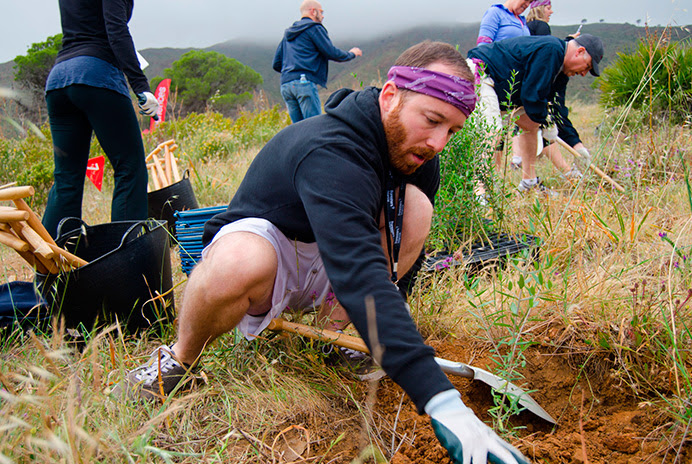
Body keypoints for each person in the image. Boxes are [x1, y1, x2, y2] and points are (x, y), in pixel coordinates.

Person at [115, 41, 529, 464]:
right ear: (390, 96)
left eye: (452, 131)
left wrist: (387, 327)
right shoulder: (331, 149)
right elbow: (360, 275)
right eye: (433, 120)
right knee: (237, 262)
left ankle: (336, 336)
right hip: (270, 252)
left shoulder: (418, 151)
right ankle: (179, 359)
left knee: (418, 207)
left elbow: (395, 253)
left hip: (335, 261)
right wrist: (442, 401)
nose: (439, 141)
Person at [42, 0, 159, 238]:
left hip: (59, 78)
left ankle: (51, 269)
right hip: (96, 72)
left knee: (66, 179)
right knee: (129, 169)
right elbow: (116, 29)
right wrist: (140, 85)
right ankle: (129, 262)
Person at [467, 34, 603, 192]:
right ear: (579, 51)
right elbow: (531, 96)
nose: (584, 73)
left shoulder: (561, 71)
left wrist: (577, 145)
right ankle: (478, 194)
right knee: (492, 132)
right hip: (482, 73)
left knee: (531, 125)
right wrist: (546, 123)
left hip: (502, 90)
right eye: (587, 66)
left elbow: (558, 109)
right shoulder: (551, 50)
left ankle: (528, 183)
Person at [520, 0, 582, 178]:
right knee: (538, 126)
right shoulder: (541, 27)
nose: (551, 11)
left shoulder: (527, 26)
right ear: (540, 8)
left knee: (530, 128)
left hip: (522, 85)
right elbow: (544, 58)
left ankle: (530, 173)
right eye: (548, 7)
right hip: (531, 86)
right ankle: (567, 172)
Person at [273, 0, 362, 123]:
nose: (323, 15)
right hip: (304, 82)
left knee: (298, 130)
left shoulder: (288, 34)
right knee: (315, 127)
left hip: (286, 84)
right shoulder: (314, 28)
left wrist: (291, 70)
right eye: (321, 11)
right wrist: (352, 54)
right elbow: (331, 52)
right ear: (313, 11)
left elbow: (276, 63)